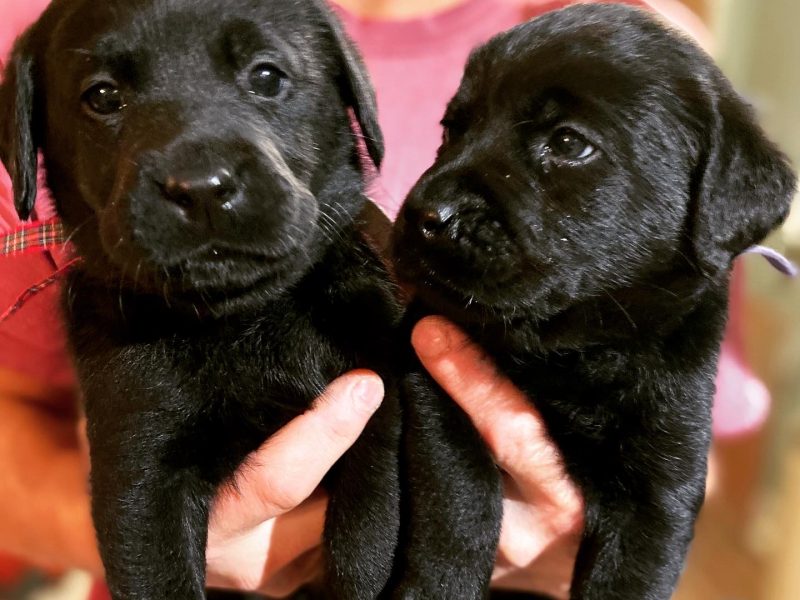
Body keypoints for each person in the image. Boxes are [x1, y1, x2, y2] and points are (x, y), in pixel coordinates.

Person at [0, 0, 764, 598]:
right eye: (101, 97)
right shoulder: (44, 27)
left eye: (269, 79)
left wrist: (568, 553)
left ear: (351, 113)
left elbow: (695, 438)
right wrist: (155, 535)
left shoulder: (630, 49)